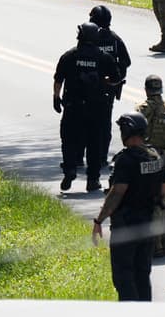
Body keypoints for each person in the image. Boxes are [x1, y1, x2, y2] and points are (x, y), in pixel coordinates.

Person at [91, 112, 165, 301]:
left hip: (126, 226)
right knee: (142, 273)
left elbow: (117, 193)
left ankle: (129, 316)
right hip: (147, 222)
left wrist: (99, 219)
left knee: (123, 276)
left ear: (126, 132)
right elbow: (164, 188)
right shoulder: (155, 156)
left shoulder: (126, 160)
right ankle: (145, 313)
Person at [52, 22, 122, 193]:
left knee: (68, 140)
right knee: (94, 144)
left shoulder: (69, 56)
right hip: (96, 110)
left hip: (73, 107)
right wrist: (105, 82)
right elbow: (116, 78)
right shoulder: (104, 58)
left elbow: (59, 79)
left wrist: (56, 97)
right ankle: (92, 180)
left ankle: (69, 170)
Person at [135, 75, 165, 257]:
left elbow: (135, 134)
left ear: (146, 89)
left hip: (147, 159)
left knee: (150, 201)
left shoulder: (142, 109)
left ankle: (154, 245)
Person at [89, 4, 131, 164]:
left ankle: (84, 157)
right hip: (109, 88)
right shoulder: (115, 38)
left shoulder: (90, 37)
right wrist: (116, 78)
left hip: (93, 88)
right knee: (104, 122)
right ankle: (101, 157)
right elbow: (126, 61)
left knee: (88, 122)